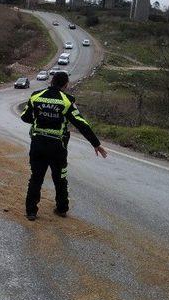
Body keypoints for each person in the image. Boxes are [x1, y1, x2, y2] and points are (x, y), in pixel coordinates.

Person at [20, 71, 106, 221]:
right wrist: (96, 144)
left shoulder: (36, 96)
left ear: (52, 81)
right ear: (65, 85)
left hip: (38, 144)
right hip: (57, 147)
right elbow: (81, 123)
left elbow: (25, 117)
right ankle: (61, 209)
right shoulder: (67, 100)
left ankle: (31, 211)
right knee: (60, 178)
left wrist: (39, 119)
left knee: (36, 178)